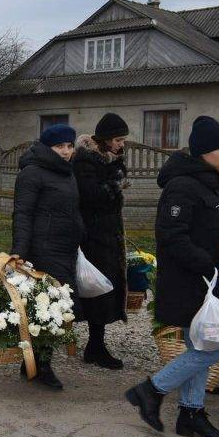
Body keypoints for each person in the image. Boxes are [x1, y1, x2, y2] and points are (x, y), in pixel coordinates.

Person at [125, 116, 219, 437]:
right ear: (205, 152)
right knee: (209, 349)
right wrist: (206, 263)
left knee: (200, 345)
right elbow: (171, 234)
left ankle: (191, 413)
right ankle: (150, 390)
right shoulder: (182, 186)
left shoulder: (206, 181)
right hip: (190, 282)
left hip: (204, 282)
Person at [11, 123, 83, 390]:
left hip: (66, 248)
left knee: (60, 307)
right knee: (47, 308)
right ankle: (41, 365)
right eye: (59, 146)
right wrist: (19, 249)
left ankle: (32, 362)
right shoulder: (32, 172)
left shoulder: (67, 173)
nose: (65, 151)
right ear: (47, 147)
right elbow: (23, 213)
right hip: (43, 249)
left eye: (69, 146)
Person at [73, 113, 130, 370]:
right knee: (96, 289)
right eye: (118, 139)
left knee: (106, 289)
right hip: (92, 237)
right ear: (105, 139)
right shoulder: (86, 161)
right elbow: (91, 195)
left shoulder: (111, 160)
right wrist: (114, 185)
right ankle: (94, 346)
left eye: (123, 139)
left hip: (108, 235)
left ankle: (95, 344)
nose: (122, 144)